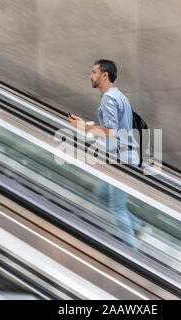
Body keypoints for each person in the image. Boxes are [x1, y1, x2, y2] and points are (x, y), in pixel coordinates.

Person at [68, 59, 142, 250]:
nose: (90, 76)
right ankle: (136, 225)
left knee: (116, 207)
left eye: (93, 72)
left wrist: (84, 127)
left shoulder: (109, 98)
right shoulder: (117, 96)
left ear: (104, 75)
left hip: (122, 159)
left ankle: (132, 251)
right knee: (101, 194)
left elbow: (111, 131)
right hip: (122, 156)